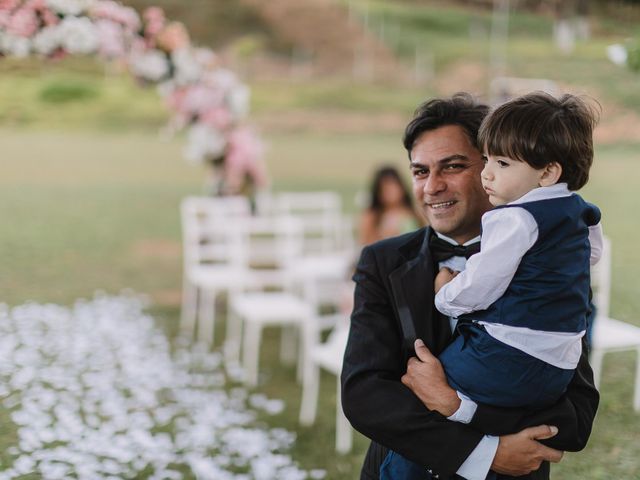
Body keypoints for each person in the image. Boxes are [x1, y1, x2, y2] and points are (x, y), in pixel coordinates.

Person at [341, 93, 599, 480]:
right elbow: (364, 394)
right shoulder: (383, 261)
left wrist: (455, 405)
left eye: (453, 166)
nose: (432, 187)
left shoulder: (553, 259)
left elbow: (575, 414)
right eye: (420, 171)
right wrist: (483, 451)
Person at [359, 166, 423, 246]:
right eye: (385, 189)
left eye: (393, 187)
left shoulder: (415, 212)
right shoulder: (372, 216)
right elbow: (366, 244)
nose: (390, 193)